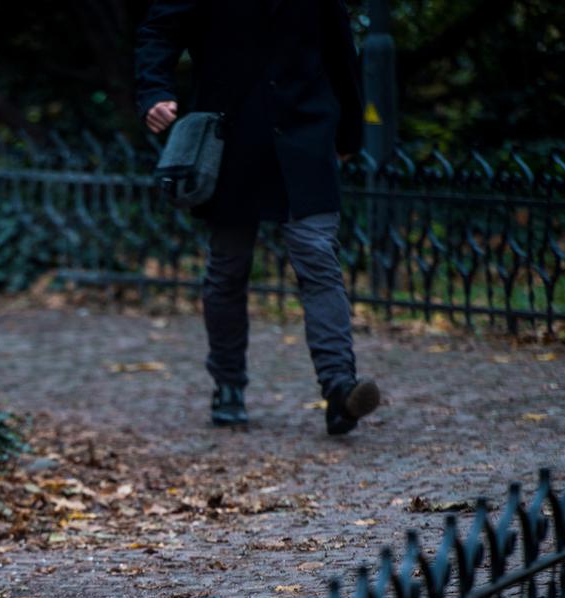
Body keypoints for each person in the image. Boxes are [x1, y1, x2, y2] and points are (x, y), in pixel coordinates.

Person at [135, 0, 381, 435]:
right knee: (228, 268)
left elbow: (341, 50)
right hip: (230, 141)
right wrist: (154, 91)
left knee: (318, 256)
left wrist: (348, 135)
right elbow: (159, 31)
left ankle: (340, 389)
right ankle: (228, 385)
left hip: (305, 135)